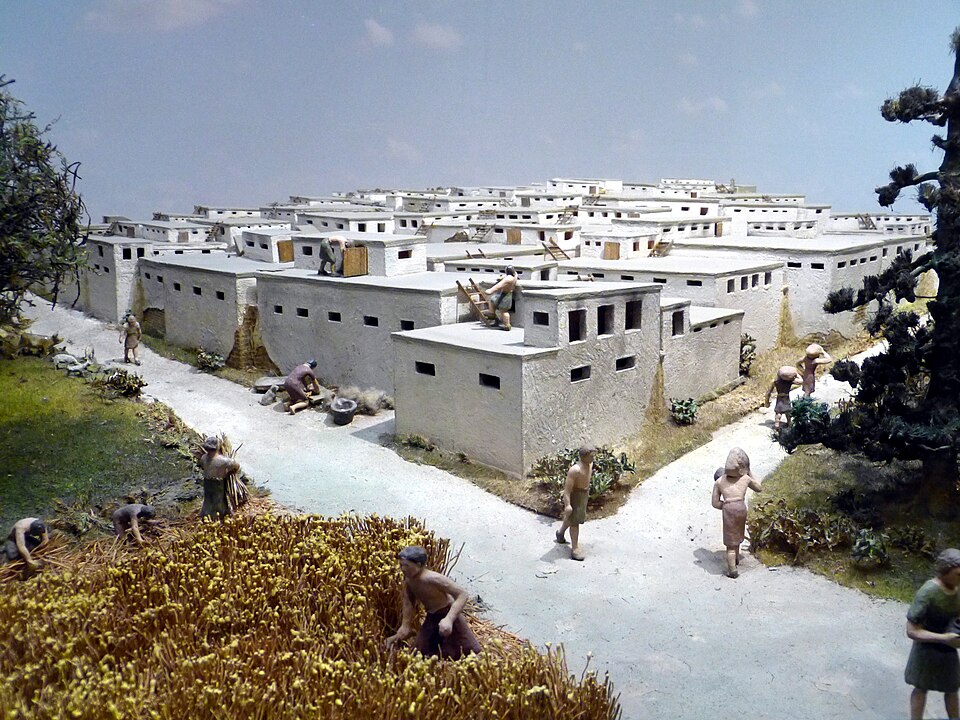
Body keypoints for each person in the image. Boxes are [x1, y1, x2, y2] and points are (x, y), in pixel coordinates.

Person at [384, 546, 481, 660]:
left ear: (419, 565)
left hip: (447, 613)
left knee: (469, 650)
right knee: (419, 652)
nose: (403, 569)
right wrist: (405, 625)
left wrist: (449, 619)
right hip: (432, 616)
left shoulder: (432, 578)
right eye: (401, 565)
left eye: (406, 566)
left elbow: (462, 594)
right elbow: (408, 602)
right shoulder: (409, 581)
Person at [905, 548, 960, 720]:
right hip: (926, 652)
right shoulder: (928, 592)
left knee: (951, 690)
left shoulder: (957, 591)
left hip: (948, 651)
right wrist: (943, 638)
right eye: (958, 574)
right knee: (921, 688)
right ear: (945, 571)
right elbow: (911, 630)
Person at [711, 447, 762, 578]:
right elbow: (759, 488)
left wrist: (726, 506)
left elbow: (715, 503)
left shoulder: (719, 482)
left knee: (730, 543)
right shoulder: (745, 478)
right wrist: (749, 472)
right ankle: (737, 559)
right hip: (741, 508)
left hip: (729, 509)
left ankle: (732, 570)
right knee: (738, 534)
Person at [554, 445, 596, 561]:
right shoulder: (575, 470)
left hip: (584, 495)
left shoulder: (590, 465)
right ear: (584, 456)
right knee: (574, 522)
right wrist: (567, 504)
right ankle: (575, 548)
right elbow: (567, 490)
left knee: (572, 518)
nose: (593, 459)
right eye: (591, 456)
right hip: (575, 496)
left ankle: (560, 532)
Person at [198, 436, 240, 520]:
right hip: (218, 484)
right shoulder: (224, 461)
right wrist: (230, 473)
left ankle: (206, 514)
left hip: (207, 482)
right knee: (219, 499)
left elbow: (202, 466)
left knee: (208, 499)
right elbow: (236, 466)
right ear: (218, 447)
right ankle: (220, 515)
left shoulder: (203, 458)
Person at [765, 365, 803, 431]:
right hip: (786, 397)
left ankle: (777, 424)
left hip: (779, 397)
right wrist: (797, 374)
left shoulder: (775, 382)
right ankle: (789, 423)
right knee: (788, 411)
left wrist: (767, 401)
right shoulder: (790, 381)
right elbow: (801, 381)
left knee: (778, 412)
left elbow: (768, 393)